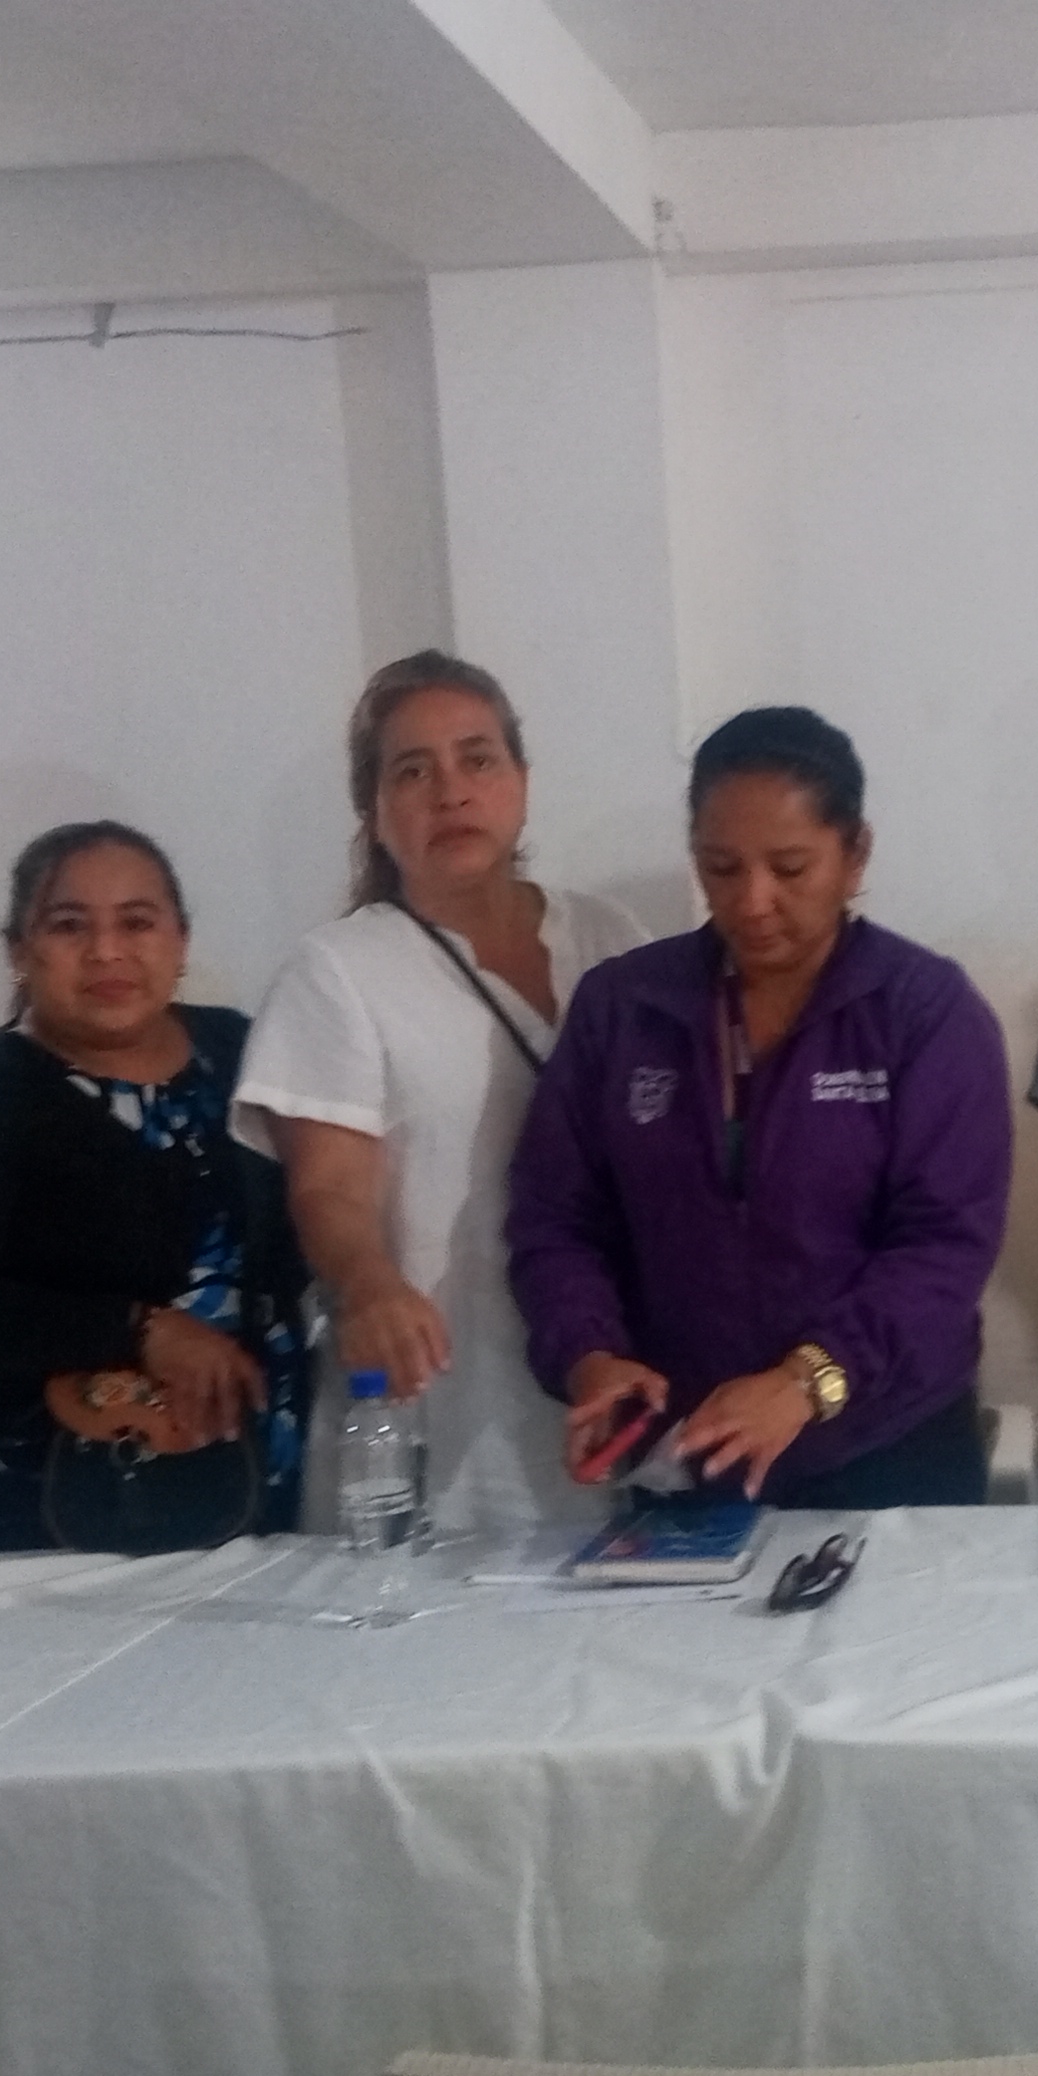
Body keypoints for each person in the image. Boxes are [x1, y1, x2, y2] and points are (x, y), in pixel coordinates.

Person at [507, 709, 1011, 1509]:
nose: (752, 901)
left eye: (789, 867)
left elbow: (945, 1246)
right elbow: (555, 1220)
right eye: (721, 868)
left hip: (886, 1449)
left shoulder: (922, 1011)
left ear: (855, 856)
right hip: (693, 1449)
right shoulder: (625, 1008)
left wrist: (807, 1381)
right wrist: (589, 1355)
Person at [235, 656, 643, 1537]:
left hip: (614, 1386)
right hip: (439, 1405)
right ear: (374, 812)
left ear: (521, 781)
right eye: (412, 772)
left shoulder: (611, 938)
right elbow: (327, 1189)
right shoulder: (339, 972)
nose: (450, 791)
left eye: (477, 759)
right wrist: (368, 1283)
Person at [0, 823, 309, 1541]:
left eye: (137, 922)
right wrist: (138, 1329)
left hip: (264, 1460)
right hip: (68, 1496)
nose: (107, 951)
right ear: (20, 951)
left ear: (180, 940)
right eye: (69, 926)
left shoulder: (241, 1050)